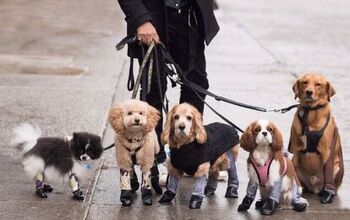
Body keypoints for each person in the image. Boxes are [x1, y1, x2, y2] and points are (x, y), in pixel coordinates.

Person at [116, 0, 220, 198]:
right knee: (153, 89)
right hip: (152, 18)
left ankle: (188, 154)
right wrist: (140, 19)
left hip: (190, 16)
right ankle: (151, 160)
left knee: (196, 84)